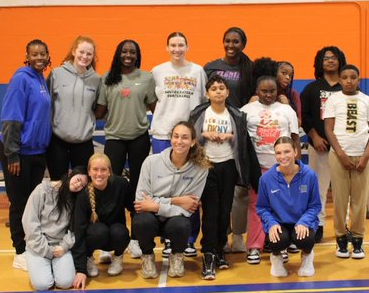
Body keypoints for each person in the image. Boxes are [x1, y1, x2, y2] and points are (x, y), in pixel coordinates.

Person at [191, 75, 261, 279]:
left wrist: (229, 136)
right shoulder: (199, 113)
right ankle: (209, 253)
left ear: (227, 92)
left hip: (228, 166)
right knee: (211, 211)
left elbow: (243, 144)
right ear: (207, 93)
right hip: (207, 167)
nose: (218, 91)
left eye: (222, 88)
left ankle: (221, 248)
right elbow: (191, 138)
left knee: (224, 211)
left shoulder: (236, 115)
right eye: (214, 89)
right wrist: (204, 135)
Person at [94, 39, 157, 259]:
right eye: (124, 51)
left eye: (132, 52)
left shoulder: (146, 78)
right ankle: (108, 242)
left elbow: (156, 108)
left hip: (139, 138)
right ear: (118, 54)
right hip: (115, 139)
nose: (128, 55)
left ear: (137, 55)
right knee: (110, 188)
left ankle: (136, 239)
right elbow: (99, 112)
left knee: (138, 188)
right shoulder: (107, 78)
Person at [150, 31, 207, 259]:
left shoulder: (198, 71)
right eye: (172, 45)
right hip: (163, 134)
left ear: (187, 46)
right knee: (165, 189)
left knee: (189, 189)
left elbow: (203, 101)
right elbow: (153, 102)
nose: (177, 49)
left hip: (189, 137)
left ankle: (190, 239)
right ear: (167, 47)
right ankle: (167, 239)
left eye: (181, 45)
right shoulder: (157, 71)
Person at [0, 38, 52, 272]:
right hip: (19, 152)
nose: (39, 58)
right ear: (27, 56)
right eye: (34, 54)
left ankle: (32, 246)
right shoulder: (21, 78)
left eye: (43, 54)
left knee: (33, 204)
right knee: (19, 203)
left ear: (48, 56)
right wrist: (12, 154)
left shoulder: (41, 80)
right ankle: (19, 251)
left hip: (37, 152)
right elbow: (11, 118)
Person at [133, 121, 210, 279]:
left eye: (184, 137)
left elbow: (189, 207)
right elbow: (141, 201)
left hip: (174, 218)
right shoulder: (151, 162)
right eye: (176, 136)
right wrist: (177, 200)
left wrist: (156, 205)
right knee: (141, 221)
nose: (179, 141)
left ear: (193, 142)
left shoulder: (201, 168)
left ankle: (177, 256)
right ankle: (147, 256)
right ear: (170, 138)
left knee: (182, 224)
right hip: (150, 217)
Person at [241, 76, 300, 264]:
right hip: (257, 166)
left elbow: (294, 137)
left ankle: (279, 244)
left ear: (278, 91)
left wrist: (295, 163)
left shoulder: (286, 110)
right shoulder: (246, 111)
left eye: (272, 91)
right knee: (256, 205)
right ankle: (254, 247)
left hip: (281, 166)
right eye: (264, 91)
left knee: (280, 205)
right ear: (257, 91)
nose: (268, 94)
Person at [204, 27, 254, 253]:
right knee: (217, 193)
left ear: (243, 44)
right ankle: (218, 237)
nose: (231, 45)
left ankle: (239, 235)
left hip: (239, 129)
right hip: (216, 131)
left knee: (239, 189)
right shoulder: (211, 67)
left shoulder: (249, 68)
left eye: (236, 42)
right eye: (227, 41)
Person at [324, 64, 369, 260]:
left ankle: (357, 240)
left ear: (359, 79)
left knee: (360, 201)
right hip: (339, 156)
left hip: (362, 157)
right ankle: (340, 238)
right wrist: (341, 154)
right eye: (345, 77)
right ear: (339, 80)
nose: (349, 81)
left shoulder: (366, 100)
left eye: (353, 77)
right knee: (340, 199)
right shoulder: (333, 99)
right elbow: (329, 129)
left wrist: (366, 155)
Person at [300, 45, 347, 243]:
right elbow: (305, 116)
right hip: (318, 146)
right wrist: (314, 136)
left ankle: (344, 226)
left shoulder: (348, 87)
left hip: (343, 148)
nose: (330, 60)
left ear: (340, 61)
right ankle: (317, 224)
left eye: (334, 57)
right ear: (320, 62)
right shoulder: (312, 89)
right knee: (318, 189)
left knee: (343, 189)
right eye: (326, 58)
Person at [257, 137, 322, 278]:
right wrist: (272, 223)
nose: (283, 156)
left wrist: (304, 221)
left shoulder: (310, 175)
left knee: (305, 239)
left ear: (295, 152)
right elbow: (262, 208)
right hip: (279, 223)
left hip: (302, 222)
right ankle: (276, 259)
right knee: (276, 239)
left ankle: (307, 258)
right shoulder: (266, 179)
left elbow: (315, 205)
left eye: (287, 151)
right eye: (278, 153)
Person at [21, 167, 89, 290]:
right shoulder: (42, 190)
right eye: (78, 179)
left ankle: (52, 266)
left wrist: (64, 247)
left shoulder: (75, 200)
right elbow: (29, 222)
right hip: (38, 246)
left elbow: (74, 229)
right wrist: (46, 250)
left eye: (82, 185)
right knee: (42, 285)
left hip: (60, 247)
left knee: (66, 283)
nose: (78, 185)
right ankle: (40, 264)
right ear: (70, 174)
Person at [46, 35, 102, 180]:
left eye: (89, 54)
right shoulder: (56, 74)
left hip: (83, 142)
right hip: (58, 141)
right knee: (58, 184)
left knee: (82, 185)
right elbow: (47, 105)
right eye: (81, 52)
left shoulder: (96, 79)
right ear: (73, 51)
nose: (85, 56)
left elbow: (96, 107)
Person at [72, 154, 131, 287]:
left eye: (103, 169)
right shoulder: (84, 195)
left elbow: (133, 207)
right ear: (89, 172)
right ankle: (89, 258)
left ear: (110, 171)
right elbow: (79, 231)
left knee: (120, 231)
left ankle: (118, 257)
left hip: (115, 234)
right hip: (95, 236)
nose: (99, 174)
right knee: (99, 231)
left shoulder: (121, 184)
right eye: (95, 169)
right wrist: (81, 269)